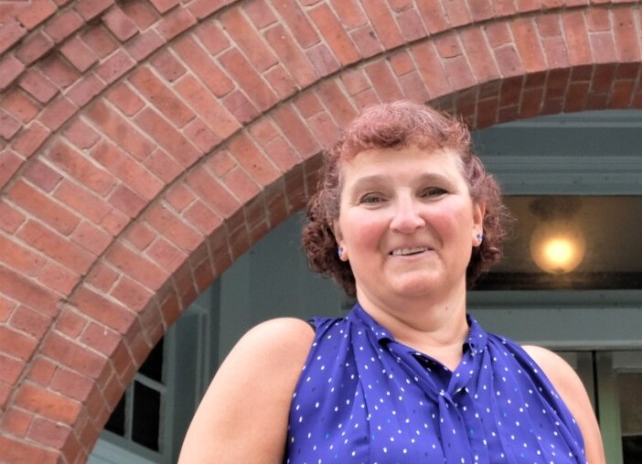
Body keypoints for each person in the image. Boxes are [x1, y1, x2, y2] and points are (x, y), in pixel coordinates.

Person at [179, 101, 605, 463]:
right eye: (373, 198)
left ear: (477, 218)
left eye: (433, 191)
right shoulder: (285, 358)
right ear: (340, 234)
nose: (406, 220)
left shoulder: (552, 382)